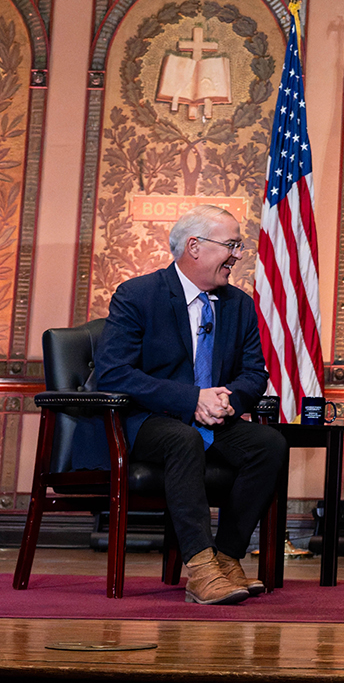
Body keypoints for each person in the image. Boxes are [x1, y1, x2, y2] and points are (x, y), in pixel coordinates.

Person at [80, 204, 286, 606]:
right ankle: (201, 568)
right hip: (149, 420)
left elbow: (254, 372)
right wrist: (191, 399)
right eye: (232, 245)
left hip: (213, 418)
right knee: (181, 440)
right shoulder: (138, 295)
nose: (238, 256)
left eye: (239, 246)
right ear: (195, 246)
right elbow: (114, 373)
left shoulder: (238, 304)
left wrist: (227, 400)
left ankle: (226, 558)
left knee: (269, 444)